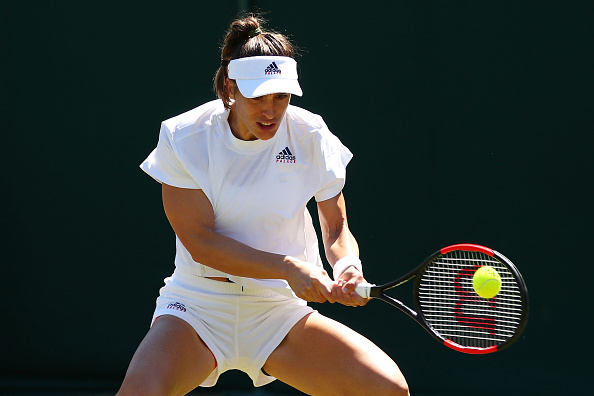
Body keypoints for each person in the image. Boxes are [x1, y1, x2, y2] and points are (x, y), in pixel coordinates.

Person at [117, 15, 409, 396]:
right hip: (198, 306)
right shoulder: (184, 136)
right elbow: (200, 242)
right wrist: (289, 268)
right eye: (258, 96)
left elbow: (336, 228)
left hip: (277, 312)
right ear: (229, 88)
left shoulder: (311, 134)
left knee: (387, 389)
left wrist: (347, 266)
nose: (270, 110)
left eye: (281, 97)